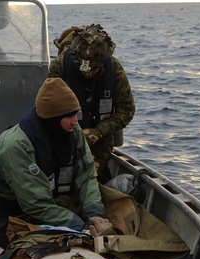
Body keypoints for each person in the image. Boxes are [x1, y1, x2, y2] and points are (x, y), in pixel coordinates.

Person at [0, 77, 109, 246]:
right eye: (69, 116)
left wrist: (95, 213)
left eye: (76, 114)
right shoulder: (16, 145)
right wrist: (81, 227)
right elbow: (36, 204)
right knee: (12, 244)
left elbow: (87, 174)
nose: (76, 121)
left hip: (22, 194)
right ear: (52, 119)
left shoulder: (73, 133)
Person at [48, 24, 135, 179]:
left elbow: (127, 110)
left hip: (101, 138)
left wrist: (98, 132)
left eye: (93, 70)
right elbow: (49, 109)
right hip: (65, 134)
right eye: (84, 70)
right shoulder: (59, 68)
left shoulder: (115, 70)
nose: (88, 73)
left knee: (95, 176)